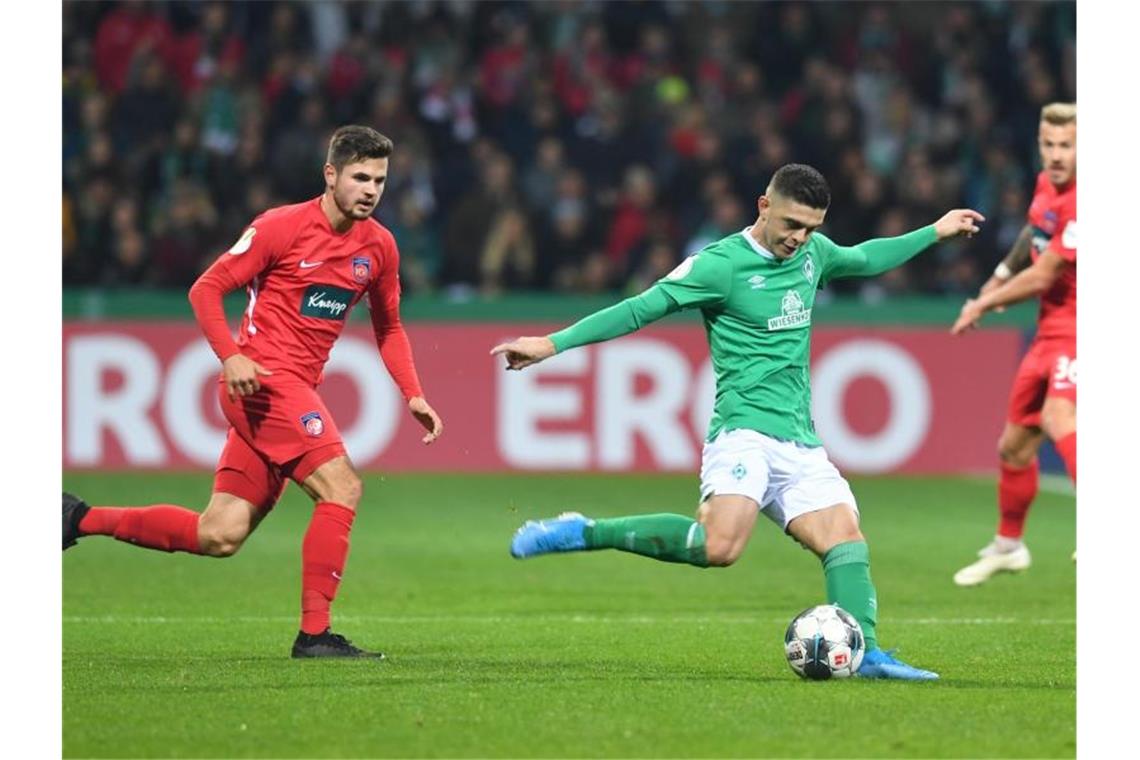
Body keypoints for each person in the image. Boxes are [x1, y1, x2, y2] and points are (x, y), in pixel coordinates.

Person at [492, 163, 983, 681]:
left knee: (845, 538)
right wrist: (552, 344)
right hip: (742, 431)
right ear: (763, 206)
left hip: (800, 439)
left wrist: (936, 231)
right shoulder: (718, 266)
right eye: (792, 223)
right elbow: (639, 309)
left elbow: (863, 257)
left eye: (812, 227)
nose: (801, 238)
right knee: (719, 547)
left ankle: (866, 654)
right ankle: (583, 531)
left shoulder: (814, 253)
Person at [63, 125, 444, 658]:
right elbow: (206, 289)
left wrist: (413, 393)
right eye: (360, 176)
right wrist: (232, 355)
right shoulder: (280, 227)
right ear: (330, 175)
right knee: (343, 488)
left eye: (380, 179)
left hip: (292, 391)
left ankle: (75, 517)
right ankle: (315, 635)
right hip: (262, 384)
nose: (371, 189)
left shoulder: (379, 247)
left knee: (220, 534)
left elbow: (390, 327)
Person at [950, 103, 1077, 586]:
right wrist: (997, 278)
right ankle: (1008, 546)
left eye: (1067, 145)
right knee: (1015, 446)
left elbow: (1045, 273)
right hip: (1050, 330)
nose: (1057, 154)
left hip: (1084, 328)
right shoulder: (1049, 185)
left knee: (1058, 417)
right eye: (1049, 144)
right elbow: (1034, 233)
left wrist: (983, 304)